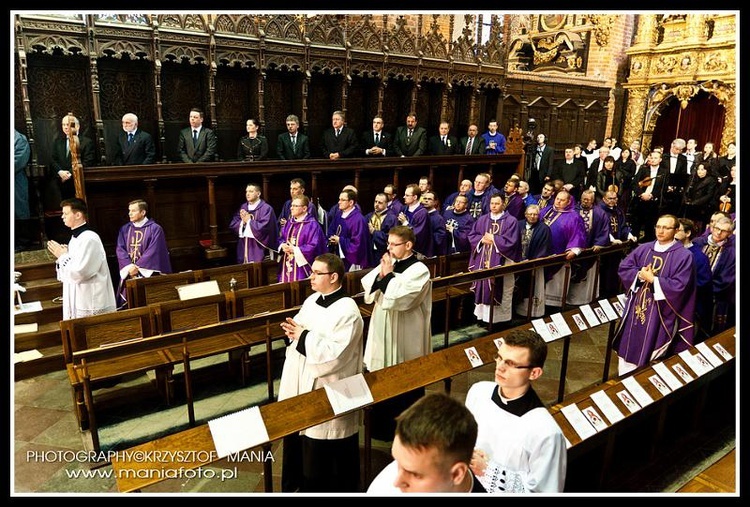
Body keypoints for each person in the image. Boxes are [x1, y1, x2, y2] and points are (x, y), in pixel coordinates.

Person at [277, 253, 364, 493]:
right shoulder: (313, 299)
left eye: (317, 273)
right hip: (302, 378)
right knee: (299, 439)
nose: (311, 276)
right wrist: (295, 332)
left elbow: (335, 354)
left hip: (329, 385)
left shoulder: (347, 310)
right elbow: (298, 326)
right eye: (312, 271)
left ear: (334, 277)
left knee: (323, 447)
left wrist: (302, 336)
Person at [466, 330, 567, 493]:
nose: (500, 367)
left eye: (511, 364)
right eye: (499, 357)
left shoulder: (547, 432)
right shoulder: (478, 392)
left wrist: (488, 470)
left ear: (534, 373)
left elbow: (545, 492)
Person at [361, 225, 432, 440]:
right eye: (388, 244)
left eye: (394, 244)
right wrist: (383, 275)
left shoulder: (420, 270)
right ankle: (380, 427)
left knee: (403, 376)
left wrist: (387, 276)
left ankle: (405, 428)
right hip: (382, 324)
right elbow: (370, 284)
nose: (389, 248)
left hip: (406, 331)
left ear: (408, 245)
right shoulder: (390, 263)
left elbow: (403, 299)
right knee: (380, 373)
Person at [612, 214, 696, 376]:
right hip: (637, 309)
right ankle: (624, 380)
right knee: (629, 346)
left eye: (666, 227)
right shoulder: (644, 248)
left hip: (661, 313)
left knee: (650, 352)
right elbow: (624, 267)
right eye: (658, 227)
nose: (661, 231)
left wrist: (655, 281)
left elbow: (682, 286)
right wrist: (639, 275)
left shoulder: (684, 256)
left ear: (676, 230)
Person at [367, 393, 486, 493]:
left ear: (456, 474)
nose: (397, 483)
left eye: (414, 474)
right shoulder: (384, 486)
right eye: (398, 461)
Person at [46, 197, 116, 320]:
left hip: (90, 300)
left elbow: (81, 272)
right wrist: (66, 254)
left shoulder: (89, 238)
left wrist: (62, 256)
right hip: (80, 295)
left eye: (66, 213)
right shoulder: (76, 238)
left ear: (78, 215)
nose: (62, 217)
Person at [468, 193, 521, 327]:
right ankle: (482, 318)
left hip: (502, 263)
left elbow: (512, 242)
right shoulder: (483, 219)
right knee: (483, 286)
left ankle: (499, 321)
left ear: (503, 204)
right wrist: (481, 240)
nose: (494, 206)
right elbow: (472, 235)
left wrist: (494, 239)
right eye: (492, 203)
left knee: (502, 289)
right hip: (482, 261)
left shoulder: (511, 221)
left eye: (497, 203)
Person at [115, 199, 172, 309]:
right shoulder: (125, 229)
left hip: (148, 272)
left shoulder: (155, 229)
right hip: (129, 272)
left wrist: (138, 267)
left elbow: (155, 251)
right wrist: (129, 267)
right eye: (129, 210)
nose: (129, 213)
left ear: (143, 212)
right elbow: (120, 249)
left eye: (133, 211)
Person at [542, 190, 587, 308]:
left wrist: (574, 250)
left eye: (562, 200)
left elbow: (579, 234)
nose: (558, 202)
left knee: (556, 283)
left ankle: (553, 307)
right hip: (542, 254)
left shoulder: (574, 216)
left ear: (568, 202)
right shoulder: (547, 211)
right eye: (557, 198)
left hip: (560, 255)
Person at [566, 189, 610, 306]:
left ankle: (586, 299)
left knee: (587, 275)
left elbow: (604, 230)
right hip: (574, 249)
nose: (585, 202)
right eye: (583, 199)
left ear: (593, 200)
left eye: (588, 200)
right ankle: (570, 300)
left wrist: (599, 243)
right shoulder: (573, 211)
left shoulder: (600, 213)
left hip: (590, 249)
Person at [692, 216, 735, 334]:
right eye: (717, 228)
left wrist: (704, 292)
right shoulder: (697, 242)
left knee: (705, 328)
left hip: (713, 297)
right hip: (689, 290)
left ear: (730, 234)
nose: (719, 232)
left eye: (724, 231)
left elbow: (726, 279)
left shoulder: (732, 252)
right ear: (711, 227)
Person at [675, 219, 713, 342]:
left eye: (678, 230)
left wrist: (676, 286)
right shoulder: (671, 250)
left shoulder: (699, 257)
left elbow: (703, 283)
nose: (674, 232)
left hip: (689, 306)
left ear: (688, 233)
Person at [277, 195, 328, 283]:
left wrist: (295, 249)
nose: (291, 208)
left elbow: (314, 246)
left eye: (295, 206)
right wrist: (282, 245)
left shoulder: (312, 225)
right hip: (287, 263)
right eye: (291, 205)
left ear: (304, 208)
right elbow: (281, 238)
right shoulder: (290, 222)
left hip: (302, 266)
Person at [49, 113, 97, 202]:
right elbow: (53, 160)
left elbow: (87, 162)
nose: (65, 127)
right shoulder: (58, 141)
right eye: (63, 125)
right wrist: (60, 172)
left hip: (78, 181)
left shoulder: (86, 142)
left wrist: (69, 174)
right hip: (61, 181)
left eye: (68, 125)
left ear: (77, 126)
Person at [514, 204, 551, 318]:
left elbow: (544, 247)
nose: (532, 216)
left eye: (535, 214)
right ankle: (515, 310)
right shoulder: (518, 225)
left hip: (533, 264)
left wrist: (533, 261)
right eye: (530, 214)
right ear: (525, 215)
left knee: (530, 288)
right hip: (516, 263)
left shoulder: (544, 228)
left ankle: (527, 313)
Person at [228, 182, 278, 264]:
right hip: (244, 246)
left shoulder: (266, 209)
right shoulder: (243, 207)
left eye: (251, 191)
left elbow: (265, 228)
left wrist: (249, 221)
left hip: (259, 247)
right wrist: (243, 223)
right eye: (246, 191)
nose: (247, 194)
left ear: (258, 194)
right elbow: (233, 224)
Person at [327, 188, 371, 271]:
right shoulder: (339, 214)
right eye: (339, 199)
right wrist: (331, 238)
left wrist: (340, 240)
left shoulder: (358, 220)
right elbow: (331, 229)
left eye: (343, 200)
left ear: (351, 202)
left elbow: (358, 244)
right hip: (337, 255)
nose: (339, 202)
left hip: (351, 260)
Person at [630, 150, 668, 243]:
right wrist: (641, 194)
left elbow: (664, 187)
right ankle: (633, 244)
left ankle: (647, 244)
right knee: (636, 224)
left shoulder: (664, 172)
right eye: (652, 157)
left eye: (656, 158)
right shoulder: (643, 169)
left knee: (650, 225)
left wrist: (652, 195)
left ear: (660, 160)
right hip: (640, 200)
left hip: (653, 202)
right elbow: (634, 183)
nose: (653, 160)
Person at [396, 184, 432, 257]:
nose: (404, 197)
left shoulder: (422, 213)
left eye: (407, 195)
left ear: (415, 197)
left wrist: (405, 223)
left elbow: (419, 234)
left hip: (417, 252)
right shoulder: (404, 208)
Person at [680, 162, 717, 232]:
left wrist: (695, 203)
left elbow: (709, 195)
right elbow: (686, 190)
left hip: (702, 206)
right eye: (698, 169)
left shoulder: (711, 180)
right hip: (690, 204)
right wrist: (686, 199)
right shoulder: (693, 178)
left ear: (707, 170)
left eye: (702, 169)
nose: (700, 171)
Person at [366, 192, 398, 265]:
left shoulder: (392, 218)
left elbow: (391, 237)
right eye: (375, 201)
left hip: (383, 253)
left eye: (380, 203)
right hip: (370, 252)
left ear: (386, 204)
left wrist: (374, 232)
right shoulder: (369, 216)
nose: (376, 205)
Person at [15, 129, 32, 252]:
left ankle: (22, 243)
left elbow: (19, 160)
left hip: (16, 181)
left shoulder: (19, 139)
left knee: (19, 211)